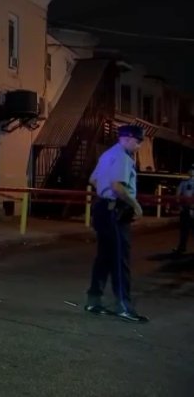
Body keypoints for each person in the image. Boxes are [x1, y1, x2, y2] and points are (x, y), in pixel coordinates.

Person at [84, 124, 149, 323]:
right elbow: (118, 186)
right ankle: (123, 305)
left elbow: (93, 180)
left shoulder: (107, 155)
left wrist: (105, 193)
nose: (138, 147)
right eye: (138, 142)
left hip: (103, 209)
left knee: (104, 257)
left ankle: (94, 300)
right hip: (115, 211)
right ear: (128, 138)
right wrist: (135, 205)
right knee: (121, 260)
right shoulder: (122, 157)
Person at [173, 165, 194, 256]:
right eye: (191, 169)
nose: (191, 171)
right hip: (185, 208)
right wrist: (179, 205)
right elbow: (178, 194)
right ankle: (182, 247)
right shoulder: (184, 183)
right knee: (184, 230)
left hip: (193, 208)